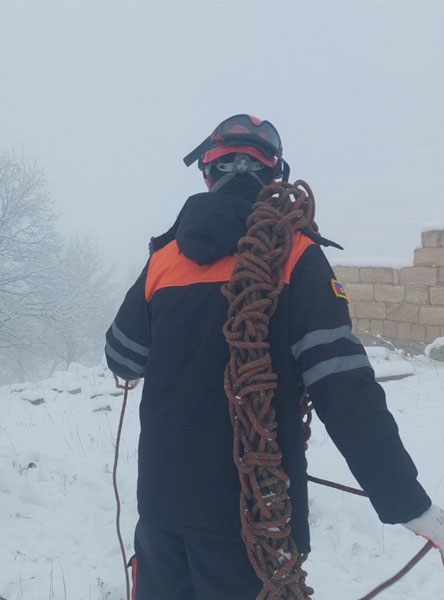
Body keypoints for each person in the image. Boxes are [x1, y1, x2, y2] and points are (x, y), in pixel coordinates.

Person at [105, 114, 443, 599]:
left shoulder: (165, 259)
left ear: (207, 174)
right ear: (274, 178)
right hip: (250, 522)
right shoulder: (296, 256)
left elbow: (122, 357)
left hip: (161, 514)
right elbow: (345, 390)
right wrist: (407, 502)